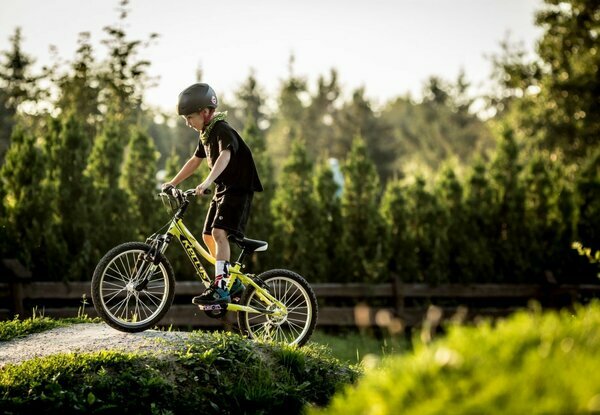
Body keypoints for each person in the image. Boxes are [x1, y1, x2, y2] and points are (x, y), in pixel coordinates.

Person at [162, 83, 263, 310]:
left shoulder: (222, 130)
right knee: (207, 235)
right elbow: (195, 161)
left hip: (238, 189)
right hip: (224, 189)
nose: (188, 123)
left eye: (190, 117)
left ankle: (221, 287)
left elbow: (225, 156)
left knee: (219, 233)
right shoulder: (206, 134)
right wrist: (173, 183)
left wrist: (207, 181)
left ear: (206, 112)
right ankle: (230, 283)